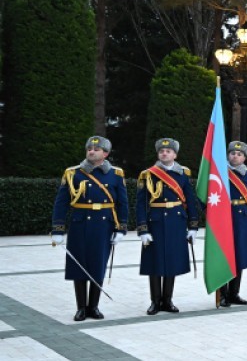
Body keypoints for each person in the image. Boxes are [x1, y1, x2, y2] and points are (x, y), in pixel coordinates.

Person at [51, 136, 129, 321]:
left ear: (106, 154)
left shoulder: (116, 174)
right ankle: (81, 308)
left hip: (104, 225)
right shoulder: (73, 173)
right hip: (80, 224)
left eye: (96, 149)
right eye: (89, 149)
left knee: (98, 264)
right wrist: (57, 229)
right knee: (79, 265)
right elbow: (61, 203)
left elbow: (122, 203)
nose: (91, 151)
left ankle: (93, 306)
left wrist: (121, 228)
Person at [136, 138, 200, 315]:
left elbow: (190, 200)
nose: (164, 153)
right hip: (155, 222)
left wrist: (193, 226)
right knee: (154, 262)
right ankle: (155, 301)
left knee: (172, 261)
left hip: (176, 222)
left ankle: (168, 300)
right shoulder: (148, 174)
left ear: (175, 155)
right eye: (161, 151)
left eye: (168, 151)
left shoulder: (183, 174)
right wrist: (143, 229)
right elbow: (141, 204)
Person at [220, 141, 247, 307]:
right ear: (228, 155)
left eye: (239, 154)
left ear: (244, 158)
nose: (235, 156)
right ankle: (222, 294)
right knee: (223, 257)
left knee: (238, 256)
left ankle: (234, 293)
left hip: (242, 220)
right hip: (222, 219)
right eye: (232, 153)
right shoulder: (219, 171)